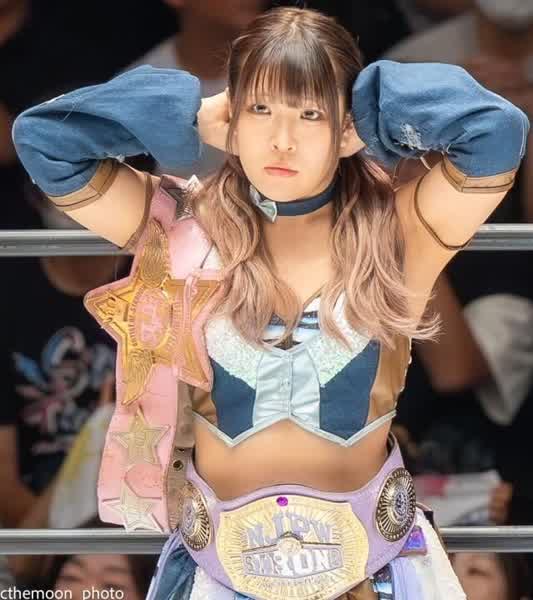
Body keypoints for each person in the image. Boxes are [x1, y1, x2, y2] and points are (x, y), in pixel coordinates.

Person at [11, 6, 529, 599]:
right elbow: (45, 141)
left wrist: (370, 105)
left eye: (309, 114)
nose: (282, 140)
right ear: (231, 118)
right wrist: (186, 115)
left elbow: (496, 134)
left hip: (373, 576)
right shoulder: (181, 226)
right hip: (216, 573)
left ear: (345, 128)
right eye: (260, 110)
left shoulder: (398, 232)